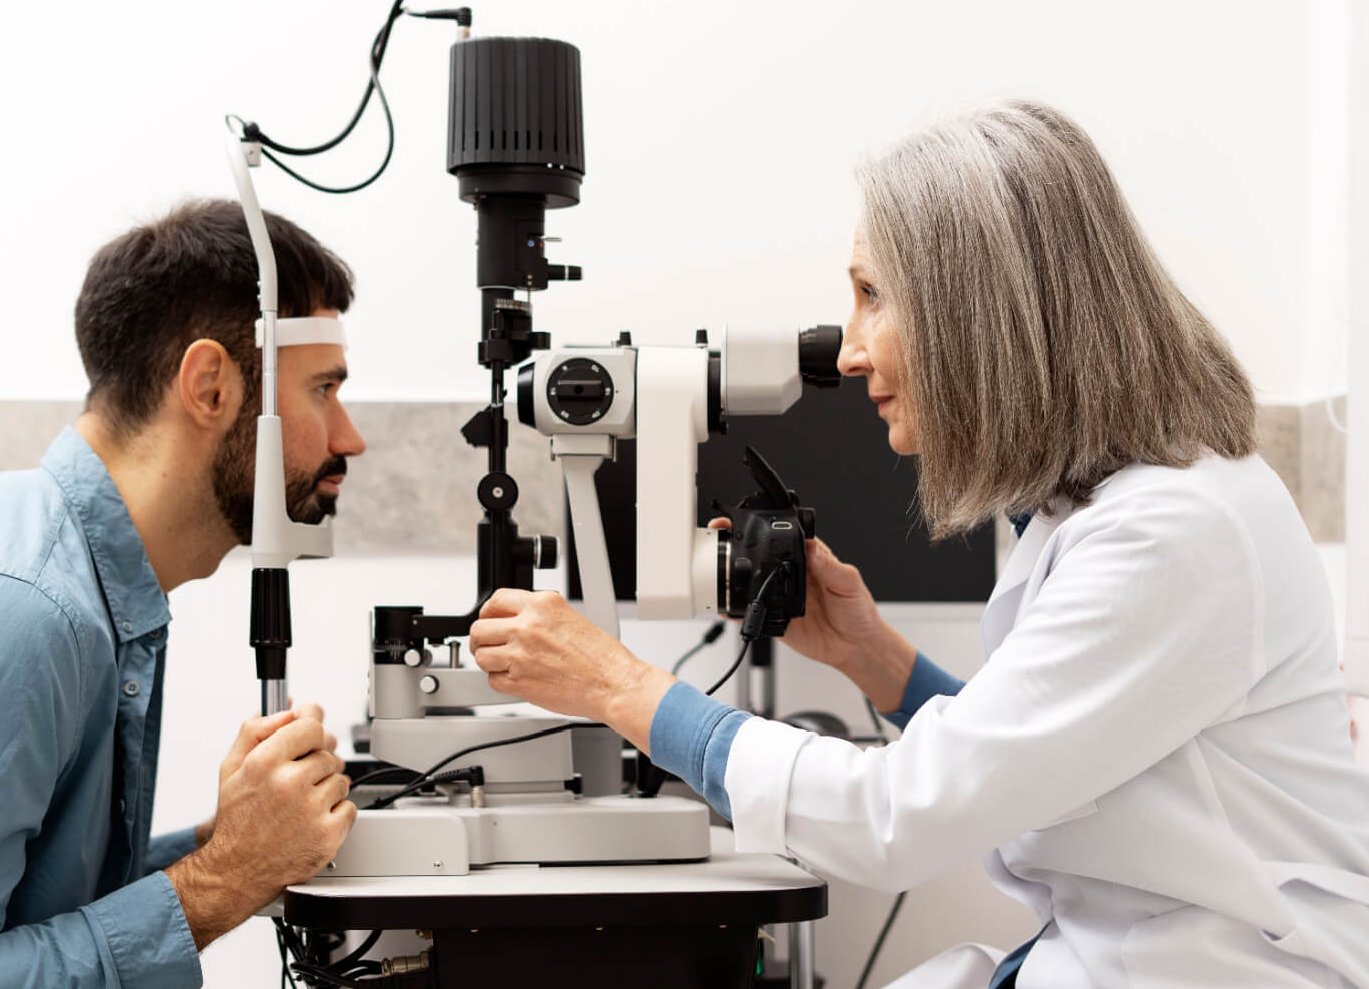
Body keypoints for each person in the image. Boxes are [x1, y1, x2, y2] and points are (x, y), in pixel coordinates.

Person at [467, 102, 1369, 988]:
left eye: (871, 296)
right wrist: (874, 659)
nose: (851, 352)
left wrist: (619, 686)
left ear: (975, 310)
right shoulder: (1112, 508)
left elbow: (896, 819)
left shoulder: (1175, 535)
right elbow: (1031, 755)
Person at [0, 199, 366, 988]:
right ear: (211, 387)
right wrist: (225, 878)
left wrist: (224, 845)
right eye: (323, 390)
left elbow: (26, 911)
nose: (348, 436)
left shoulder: (96, 596)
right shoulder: (14, 611)